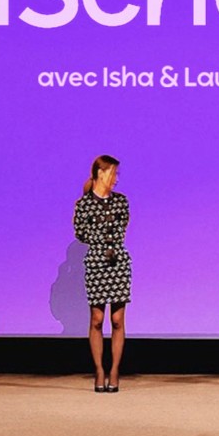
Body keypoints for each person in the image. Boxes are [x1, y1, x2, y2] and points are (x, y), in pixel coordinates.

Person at [72, 155, 130, 393]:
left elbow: (122, 227)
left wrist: (110, 244)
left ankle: (114, 370)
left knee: (117, 320)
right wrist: (100, 243)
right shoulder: (83, 205)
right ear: (100, 173)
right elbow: (80, 233)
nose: (116, 179)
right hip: (96, 263)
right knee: (96, 320)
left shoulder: (121, 202)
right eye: (113, 173)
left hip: (118, 263)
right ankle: (99, 370)